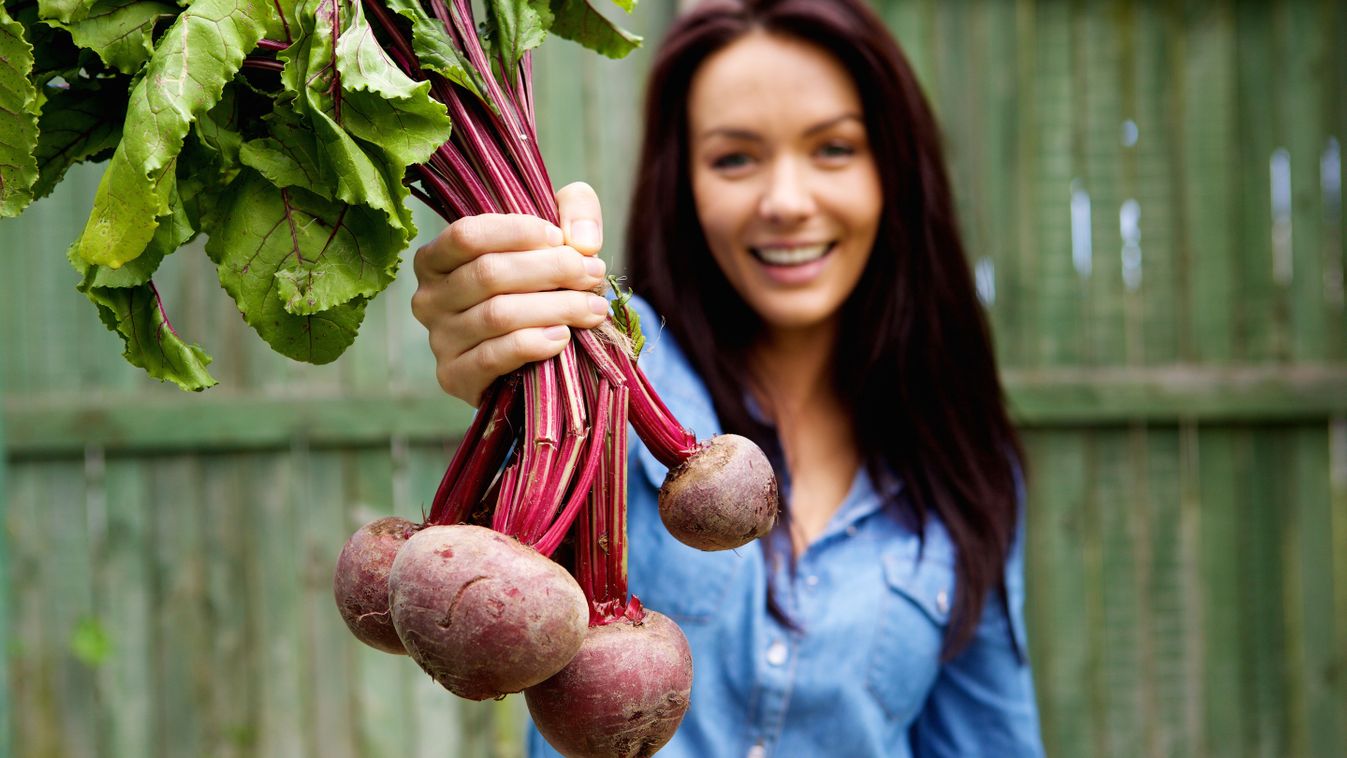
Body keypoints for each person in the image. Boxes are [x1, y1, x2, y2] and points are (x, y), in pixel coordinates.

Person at [410, 0, 1043, 754]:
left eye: (833, 149)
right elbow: (518, 353)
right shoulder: (600, 361)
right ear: (684, 184)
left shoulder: (962, 462)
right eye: (734, 158)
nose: (785, 203)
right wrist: (504, 322)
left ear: (894, 170)